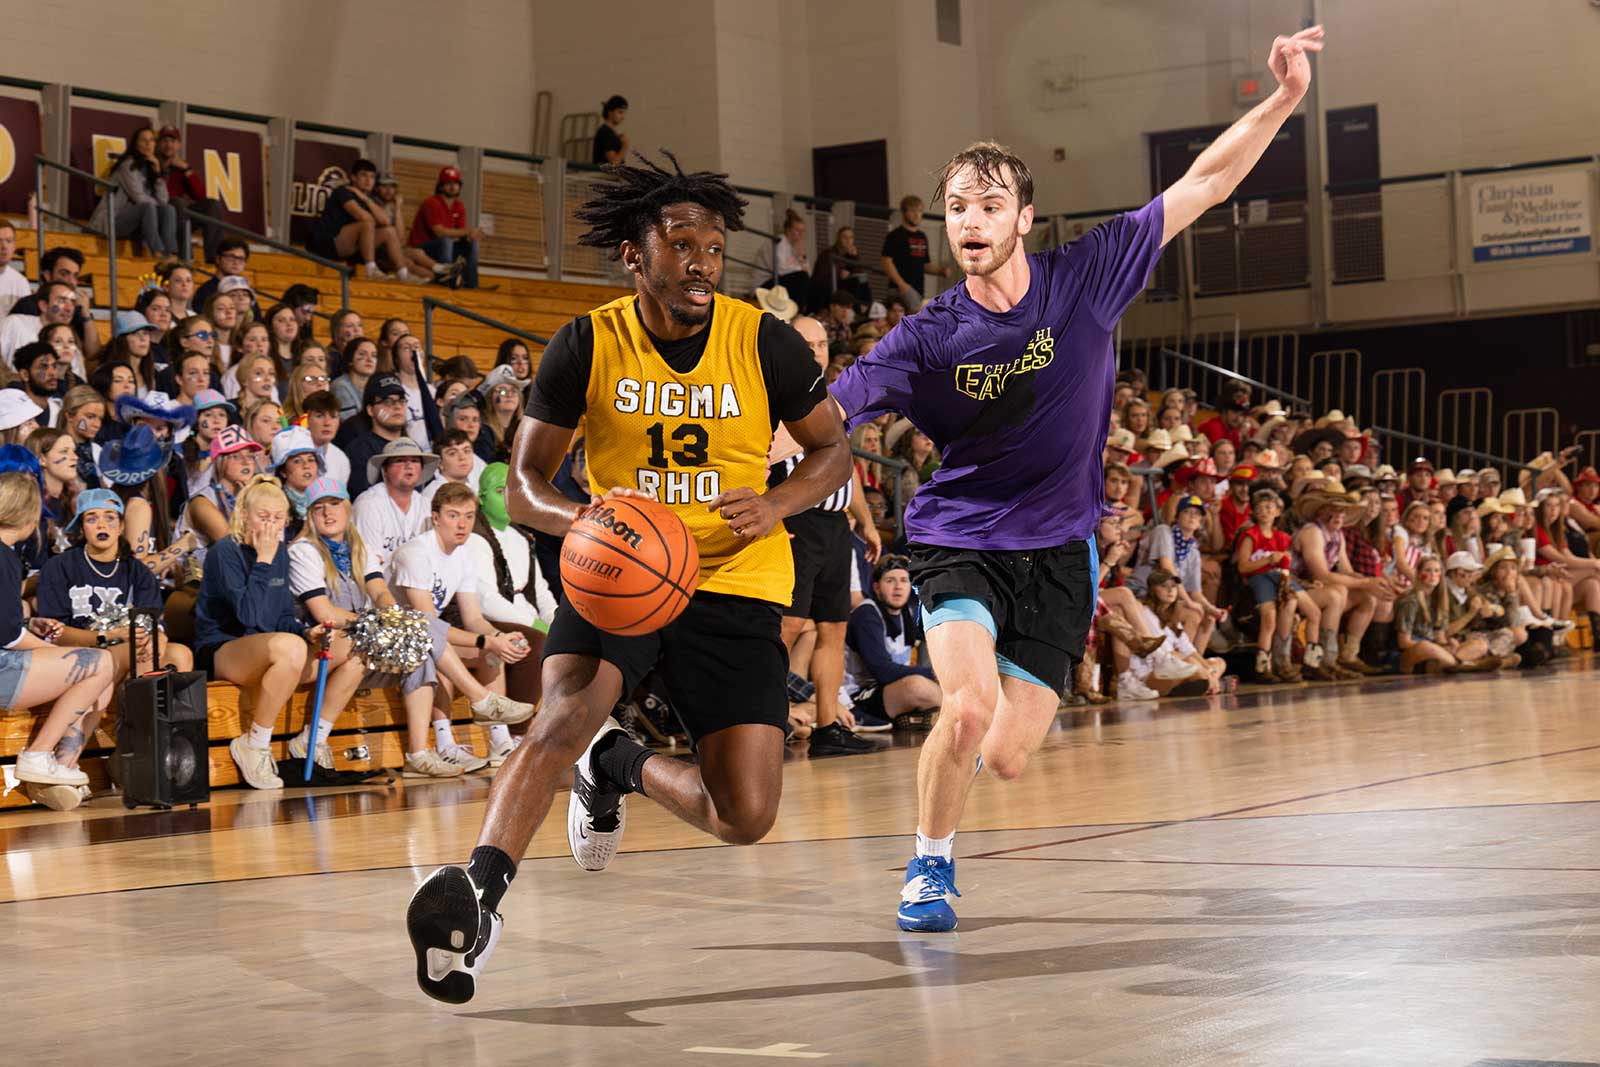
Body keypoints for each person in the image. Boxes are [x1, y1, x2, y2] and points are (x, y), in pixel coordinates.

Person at [828, 24, 1326, 934]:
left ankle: (952, 750)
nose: (970, 222)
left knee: (1009, 752)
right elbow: (830, 413)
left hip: (1061, 549)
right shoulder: (926, 334)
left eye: (989, 205)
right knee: (970, 708)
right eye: (956, 208)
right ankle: (929, 867)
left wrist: (1285, 98)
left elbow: (1203, 183)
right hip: (957, 539)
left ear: (1025, 218)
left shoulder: (1087, 277)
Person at [406, 150, 851, 1004]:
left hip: (735, 577)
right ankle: (481, 894)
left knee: (746, 815)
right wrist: (582, 519)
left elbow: (834, 446)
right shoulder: (586, 340)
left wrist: (781, 500)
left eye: (715, 249)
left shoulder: (763, 339)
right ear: (636, 256)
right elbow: (525, 478)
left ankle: (621, 764)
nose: (702, 264)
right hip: (623, 572)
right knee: (563, 712)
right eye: (682, 245)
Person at [289, 476, 534, 776]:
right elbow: (324, 612)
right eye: (319, 508)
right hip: (323, 642)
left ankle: (420, 754)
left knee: (418, 646)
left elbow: (378, 590)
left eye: (335, 505)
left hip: (367, 640)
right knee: (420, 630)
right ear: (310, 516)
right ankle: (479, 702)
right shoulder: (304, 550)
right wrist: (385, 620)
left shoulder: (358, 546)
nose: (329, 513)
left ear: (347, 509)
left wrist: (390, 612)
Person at [194, 476, 367, 789]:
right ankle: (255, 744)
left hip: (275, 647)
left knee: (356, 645)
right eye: (263, 517)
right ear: (244, 515)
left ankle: (312, 740)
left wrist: (307, 631)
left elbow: (282, 615)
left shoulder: (280, 553)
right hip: (223, 647)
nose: (271, 526)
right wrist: (262, 560)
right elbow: (248, 614)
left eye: (278, 518)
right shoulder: (225, 552)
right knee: (290, 648)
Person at [391, 482, 534, 771]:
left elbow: (473, 618)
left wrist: (498, 637)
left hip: (424, 637)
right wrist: (485, 641)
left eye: (469, 516)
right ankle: (448, 742)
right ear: (436, 518)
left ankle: (499, 741)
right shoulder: (416, 553)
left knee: (495, 652)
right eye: (453, 515)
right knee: (439, 651)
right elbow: (429, 625)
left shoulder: (462, 555)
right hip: (393, 637)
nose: (462, 524)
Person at [0, 472, 117, 789]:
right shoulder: (4, 556)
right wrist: (56, 652)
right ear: (26, 518)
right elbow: (8, 637)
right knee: (100, 663)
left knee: (99, 676)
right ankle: (37, 756)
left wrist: (26, 623)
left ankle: (62, 771)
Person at [35, 489, 196, 686]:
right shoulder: (59, 567)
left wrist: (159, 637)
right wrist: (108, 636)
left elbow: (150, 622)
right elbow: (54, 635)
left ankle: (156, 715)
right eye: (91, 519)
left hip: (128, 651)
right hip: (77, 652)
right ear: (82, 528)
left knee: (180, 654)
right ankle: (138, 716)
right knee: (141, 654)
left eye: (109, 518)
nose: (102, 524)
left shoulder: (138, 572)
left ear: (121, 527)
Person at [844, 554, 940, 731]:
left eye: (904, 580)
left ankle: (929, 715)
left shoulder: (908, 614)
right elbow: (882, 671)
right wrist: (935, 673)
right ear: (876, 587)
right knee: (918, 686)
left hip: (889, 691)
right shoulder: (866, 614)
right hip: (859, 697)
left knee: (933, 682)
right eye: (890, 580)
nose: (898, 587)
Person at [307, 160, 438, 283]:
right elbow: (365, 218)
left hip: (352, 247)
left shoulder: (370, 199)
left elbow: (386, 221)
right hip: (328, 243)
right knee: (367, 223)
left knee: (389, 231)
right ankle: (371, 269)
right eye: (364, 176)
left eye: (372, 177)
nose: (368, 180)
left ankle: (403, 273)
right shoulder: (344, 192)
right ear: (353, 178)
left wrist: (365, 199)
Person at [88, 125, 179, 260]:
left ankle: (171, 254)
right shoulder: (127, 165)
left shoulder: (151, 166)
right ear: (136, 145)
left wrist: (158, 174)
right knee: (148, 207)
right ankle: (157, 253)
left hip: (140, 223)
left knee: (169, 209)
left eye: (151, 140)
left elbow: (164, 201)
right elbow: (139, 198)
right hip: (114, 221)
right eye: (144, 140)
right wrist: (157, 205)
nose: (148, 144)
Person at [353, 437, 436, 577]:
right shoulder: (368, 503)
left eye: (415, 461)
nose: (409, 465)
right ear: (385, 470)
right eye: (400, 460)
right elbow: (370, 564)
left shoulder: (426, 504)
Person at [154, 125, 223, 263]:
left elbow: (201, 196)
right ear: (158, 143)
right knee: (176, 203)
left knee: (211, 204)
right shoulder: (151, 163)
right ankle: (185, 257)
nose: (169, 145)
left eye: (173, 141)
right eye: (165, 141)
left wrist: (187, 171)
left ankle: (213, 258)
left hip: (180, 217)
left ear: (178, 145)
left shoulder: (181, 167)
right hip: (158, 214)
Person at [339, 373, 411, 497]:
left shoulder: (413, 448)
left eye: (401, 400)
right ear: (370, 410)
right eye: (388, 401)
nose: (397, 406)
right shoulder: (358, 451)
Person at [409, 166, 479, 289]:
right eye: (448, 184)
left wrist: (469, 237)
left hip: (444, 248)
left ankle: (471, 285)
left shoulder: (459, 205)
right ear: (440, 186)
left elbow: (460, 233)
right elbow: (439, 232)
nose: (453, 187)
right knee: (445, 241)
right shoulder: (431, 203)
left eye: (456, 184)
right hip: (423, 249)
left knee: (472, 244)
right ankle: (447, 281)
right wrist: (467, 231)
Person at [880, 195, 949, 311]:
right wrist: (901, 284)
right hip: (899, 290)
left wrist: (940, 271)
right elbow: (886, 262)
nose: (917, 214)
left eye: (920, 211)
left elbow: (925, 264)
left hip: (918, 289)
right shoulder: (895, 236)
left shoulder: (922, 236)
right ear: (904, 212)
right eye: (913, 210)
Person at [301, 391, 351, 487]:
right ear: (305, 420)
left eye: (333, 417)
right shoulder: (291, 452)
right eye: (319, 416)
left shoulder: (341, 459)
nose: (327, 423)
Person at [11, 341, 63, 426]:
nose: (52, 373)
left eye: (54, 366)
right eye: (44, 367)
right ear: (25, 375)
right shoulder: (11, 412)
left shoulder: (58, 412)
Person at [592, 94, 629, 166]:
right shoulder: (605, 133)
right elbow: (613, 164)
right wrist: (625, 146)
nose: (623, 117)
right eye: (620, 112)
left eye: (624, 113)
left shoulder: (611, 133)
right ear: (610, 112)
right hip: (604, 176)